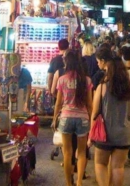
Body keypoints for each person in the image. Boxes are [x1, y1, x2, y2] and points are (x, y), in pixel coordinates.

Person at [90, 57, 130, 186]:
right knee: (118, 167)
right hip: (124, 133)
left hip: (105, 134)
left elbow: (95, 112)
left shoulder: (102, 87)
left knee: (100, 163)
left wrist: (91, 135)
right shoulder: (129, 88)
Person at [52, 51, 92, 186]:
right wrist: (91, 120)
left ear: (67, 62)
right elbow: (89, 104)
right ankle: (79, 182)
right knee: (81, 152)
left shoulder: (62, 79)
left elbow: (58, 103)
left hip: (66, 117)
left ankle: (69, 183)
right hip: (82, 118)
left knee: (67, 153)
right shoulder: (86, 80)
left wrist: (53, 119)